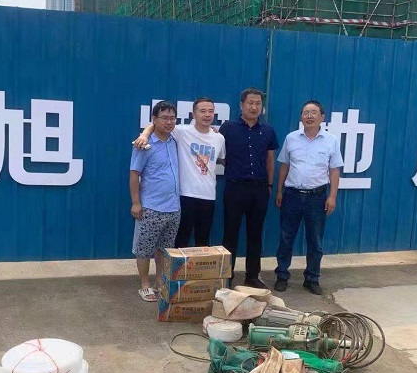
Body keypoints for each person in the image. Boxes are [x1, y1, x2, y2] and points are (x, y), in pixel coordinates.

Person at [133, 97, 226, 247]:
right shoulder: (182, 131)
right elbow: (155, 124)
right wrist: (144, 135)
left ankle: (199, 265)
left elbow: (222, 159)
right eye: (202, 111)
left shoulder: (219, 138)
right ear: (193, 114)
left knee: (203, 241)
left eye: (210, 111)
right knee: (180, 241)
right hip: (185, 195)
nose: (207, 115)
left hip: (208, 195)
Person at [274, 100, 343, 295]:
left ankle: (312, 278)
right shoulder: (291, 138)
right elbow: (284, 166)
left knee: (315, 241)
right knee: (286, 237)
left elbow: (334, 170)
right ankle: (281, 275)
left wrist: (332, 196)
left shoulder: (330, 140)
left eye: (314, 112)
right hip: (292, 195)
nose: (309, 116)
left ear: (322, 117)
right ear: (301, 117)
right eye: (305, 112)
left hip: (317, 197)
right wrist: (279, 191)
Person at [219, 88, 279, 288]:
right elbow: (218, 152)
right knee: (230, 234)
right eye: (250, 103)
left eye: (258, 103)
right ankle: (227, 276)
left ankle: (252, 276)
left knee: (255, 234)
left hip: (259, 189)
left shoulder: (268, 130)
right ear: (241, 105)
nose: (254, 107)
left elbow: (270, 159)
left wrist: (269, 185)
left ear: (262, 107)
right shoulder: (228, 128)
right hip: (235, 188)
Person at [129, 101, 181, 302]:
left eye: (172, 118)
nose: (169, 122)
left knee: (164, 249)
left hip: (173, 208)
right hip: (151, 207)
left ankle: (160, 281)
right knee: (144, 249)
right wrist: (136, 202)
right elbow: (134, 174)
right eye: (164, 118)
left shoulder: (175, 140)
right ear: (154, 120)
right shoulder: (144, 145)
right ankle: (145, 284)